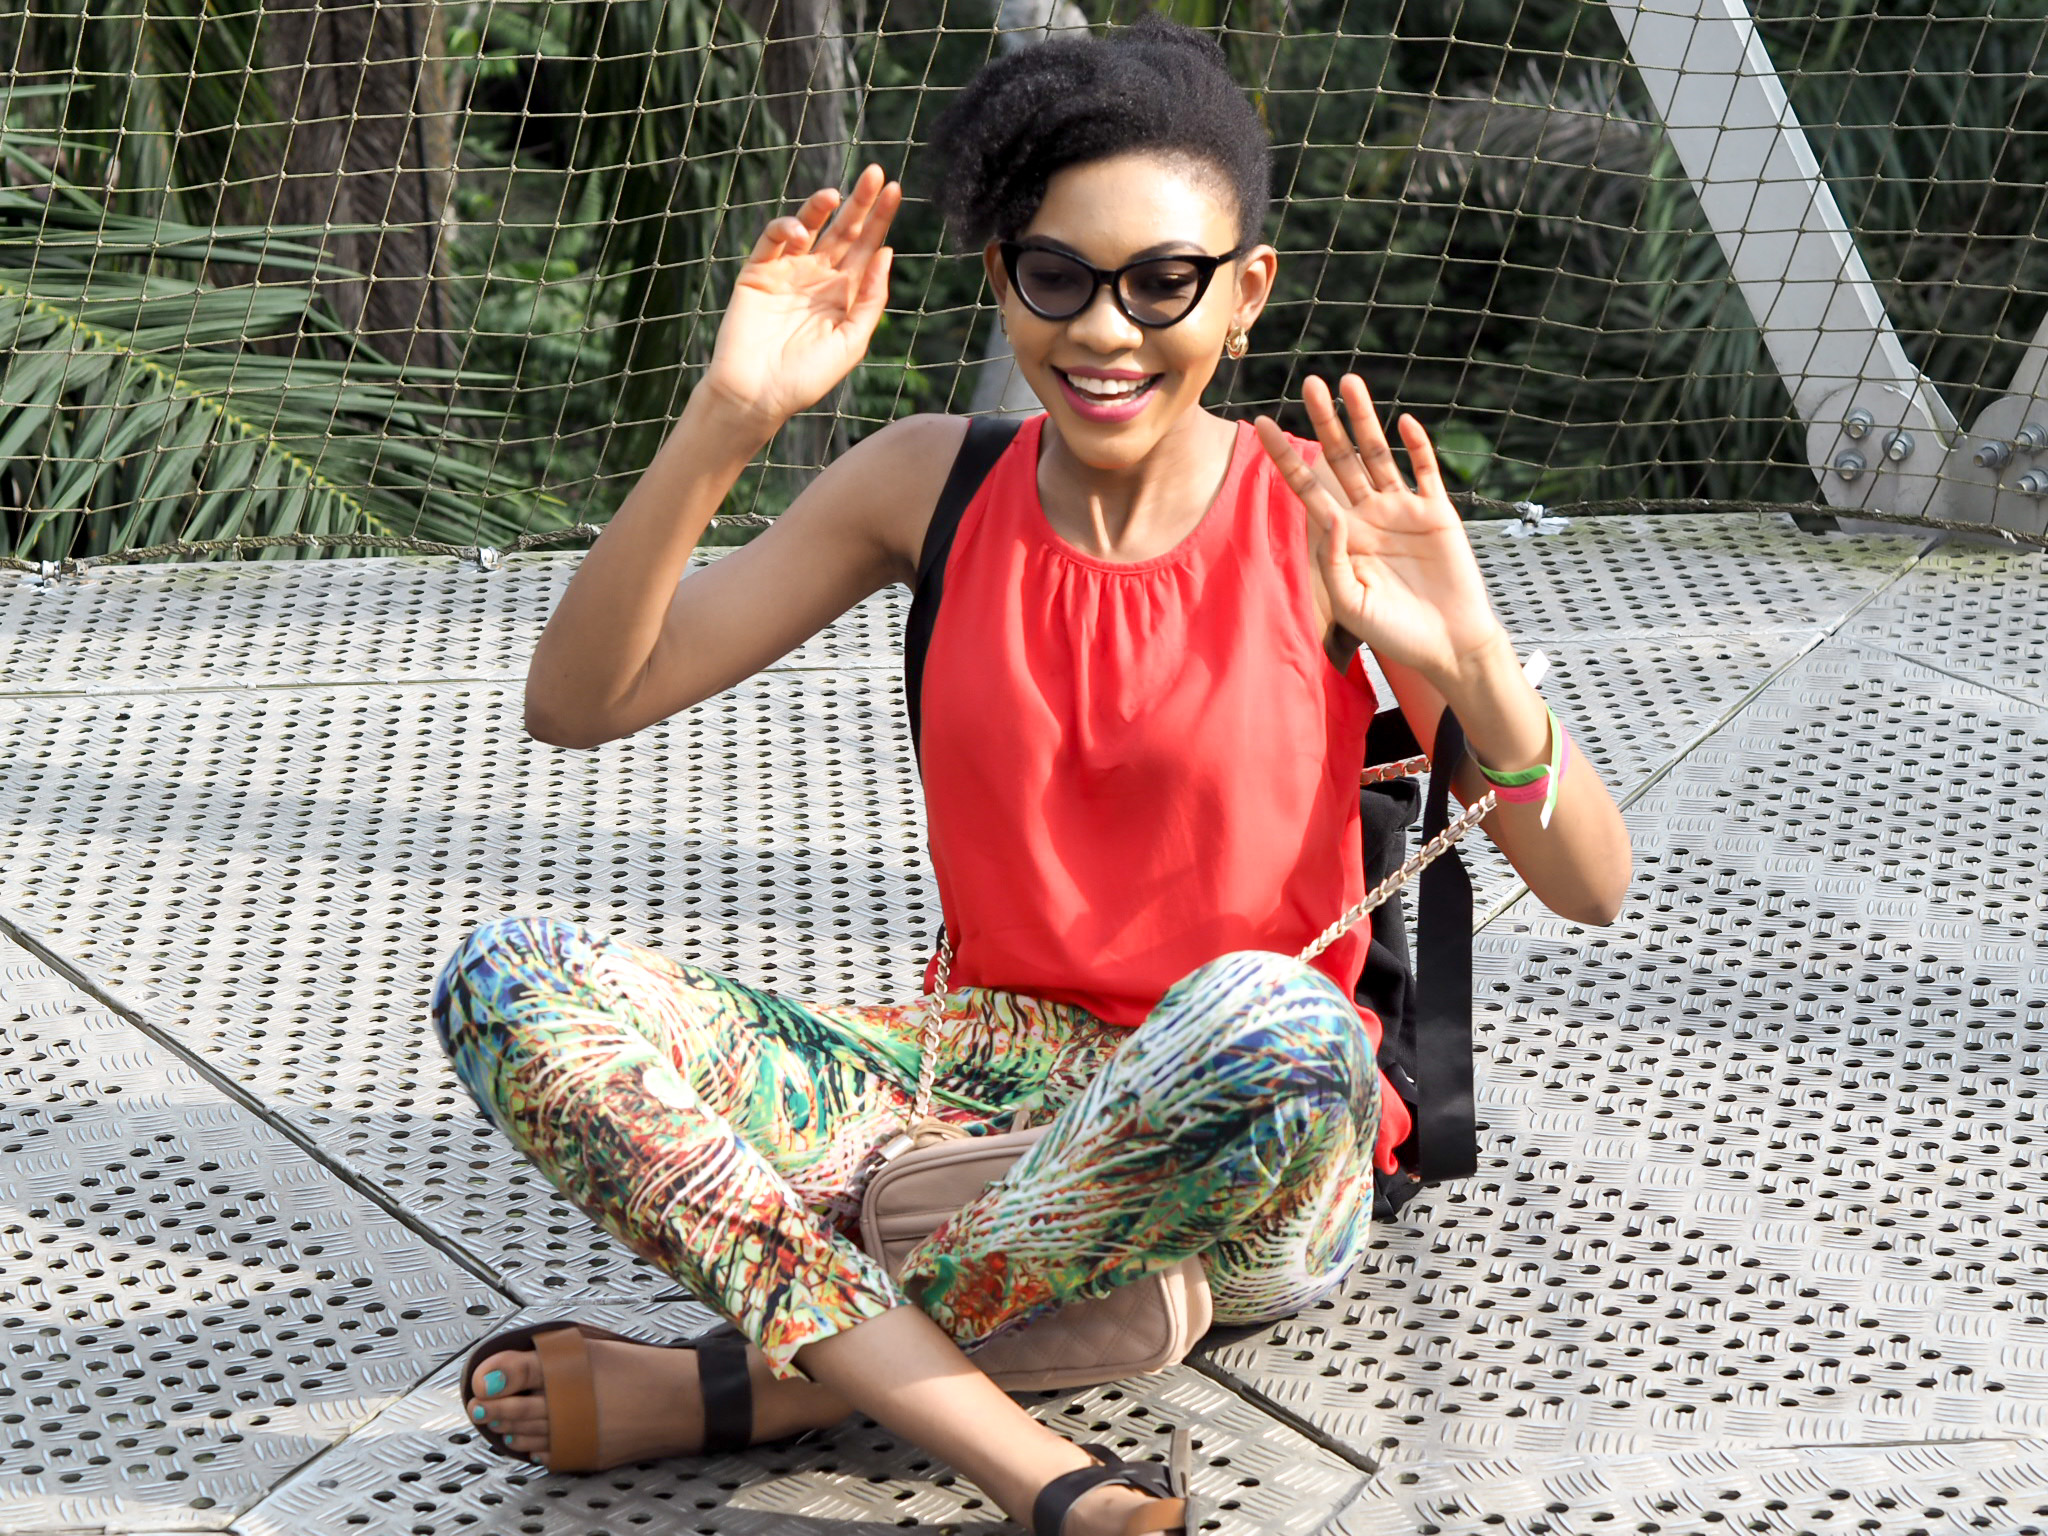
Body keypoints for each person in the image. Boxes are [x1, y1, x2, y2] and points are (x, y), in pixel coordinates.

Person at [429, 16, 1632, 1536]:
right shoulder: (928, 486)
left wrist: (1469, 650)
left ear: (1244, 292)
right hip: (972, 1079)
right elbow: (578, 702)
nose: (1107, 332)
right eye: (1056, 277)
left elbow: (1589, 885)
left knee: (1273, 1016)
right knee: (507, 977)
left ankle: (742, 1383)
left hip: (1255, 1123)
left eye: (1163, 283)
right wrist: (734, 417)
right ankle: (1053, 1421)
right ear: (1001, 275)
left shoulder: (1321, 517)